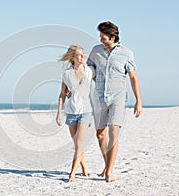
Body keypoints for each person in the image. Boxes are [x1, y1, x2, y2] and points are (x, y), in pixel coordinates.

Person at [87, 21, 143, 182]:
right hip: (99, 97)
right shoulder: (96, 51)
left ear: (112, 37)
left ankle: (109, 172)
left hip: (118, 97)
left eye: (103, 37)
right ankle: (107, 164)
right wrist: (94, 78)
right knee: (100, 134)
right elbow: (89, 67)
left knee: (113, 133)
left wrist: (139, 101)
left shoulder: (126, 53)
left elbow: (132, 77)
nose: (100, 40)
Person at [56, 45, 93, 182]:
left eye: (83, 54)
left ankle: (72, 174)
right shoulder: (66, 74)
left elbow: (102, 80)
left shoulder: (90, 71)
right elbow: (62, 94)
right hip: (71, 112)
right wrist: (59, 113)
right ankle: (83, 168)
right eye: (79, 55)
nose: (83, 56)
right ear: (72, 58)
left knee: (79, 142)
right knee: (78, 144)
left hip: (86, 111)